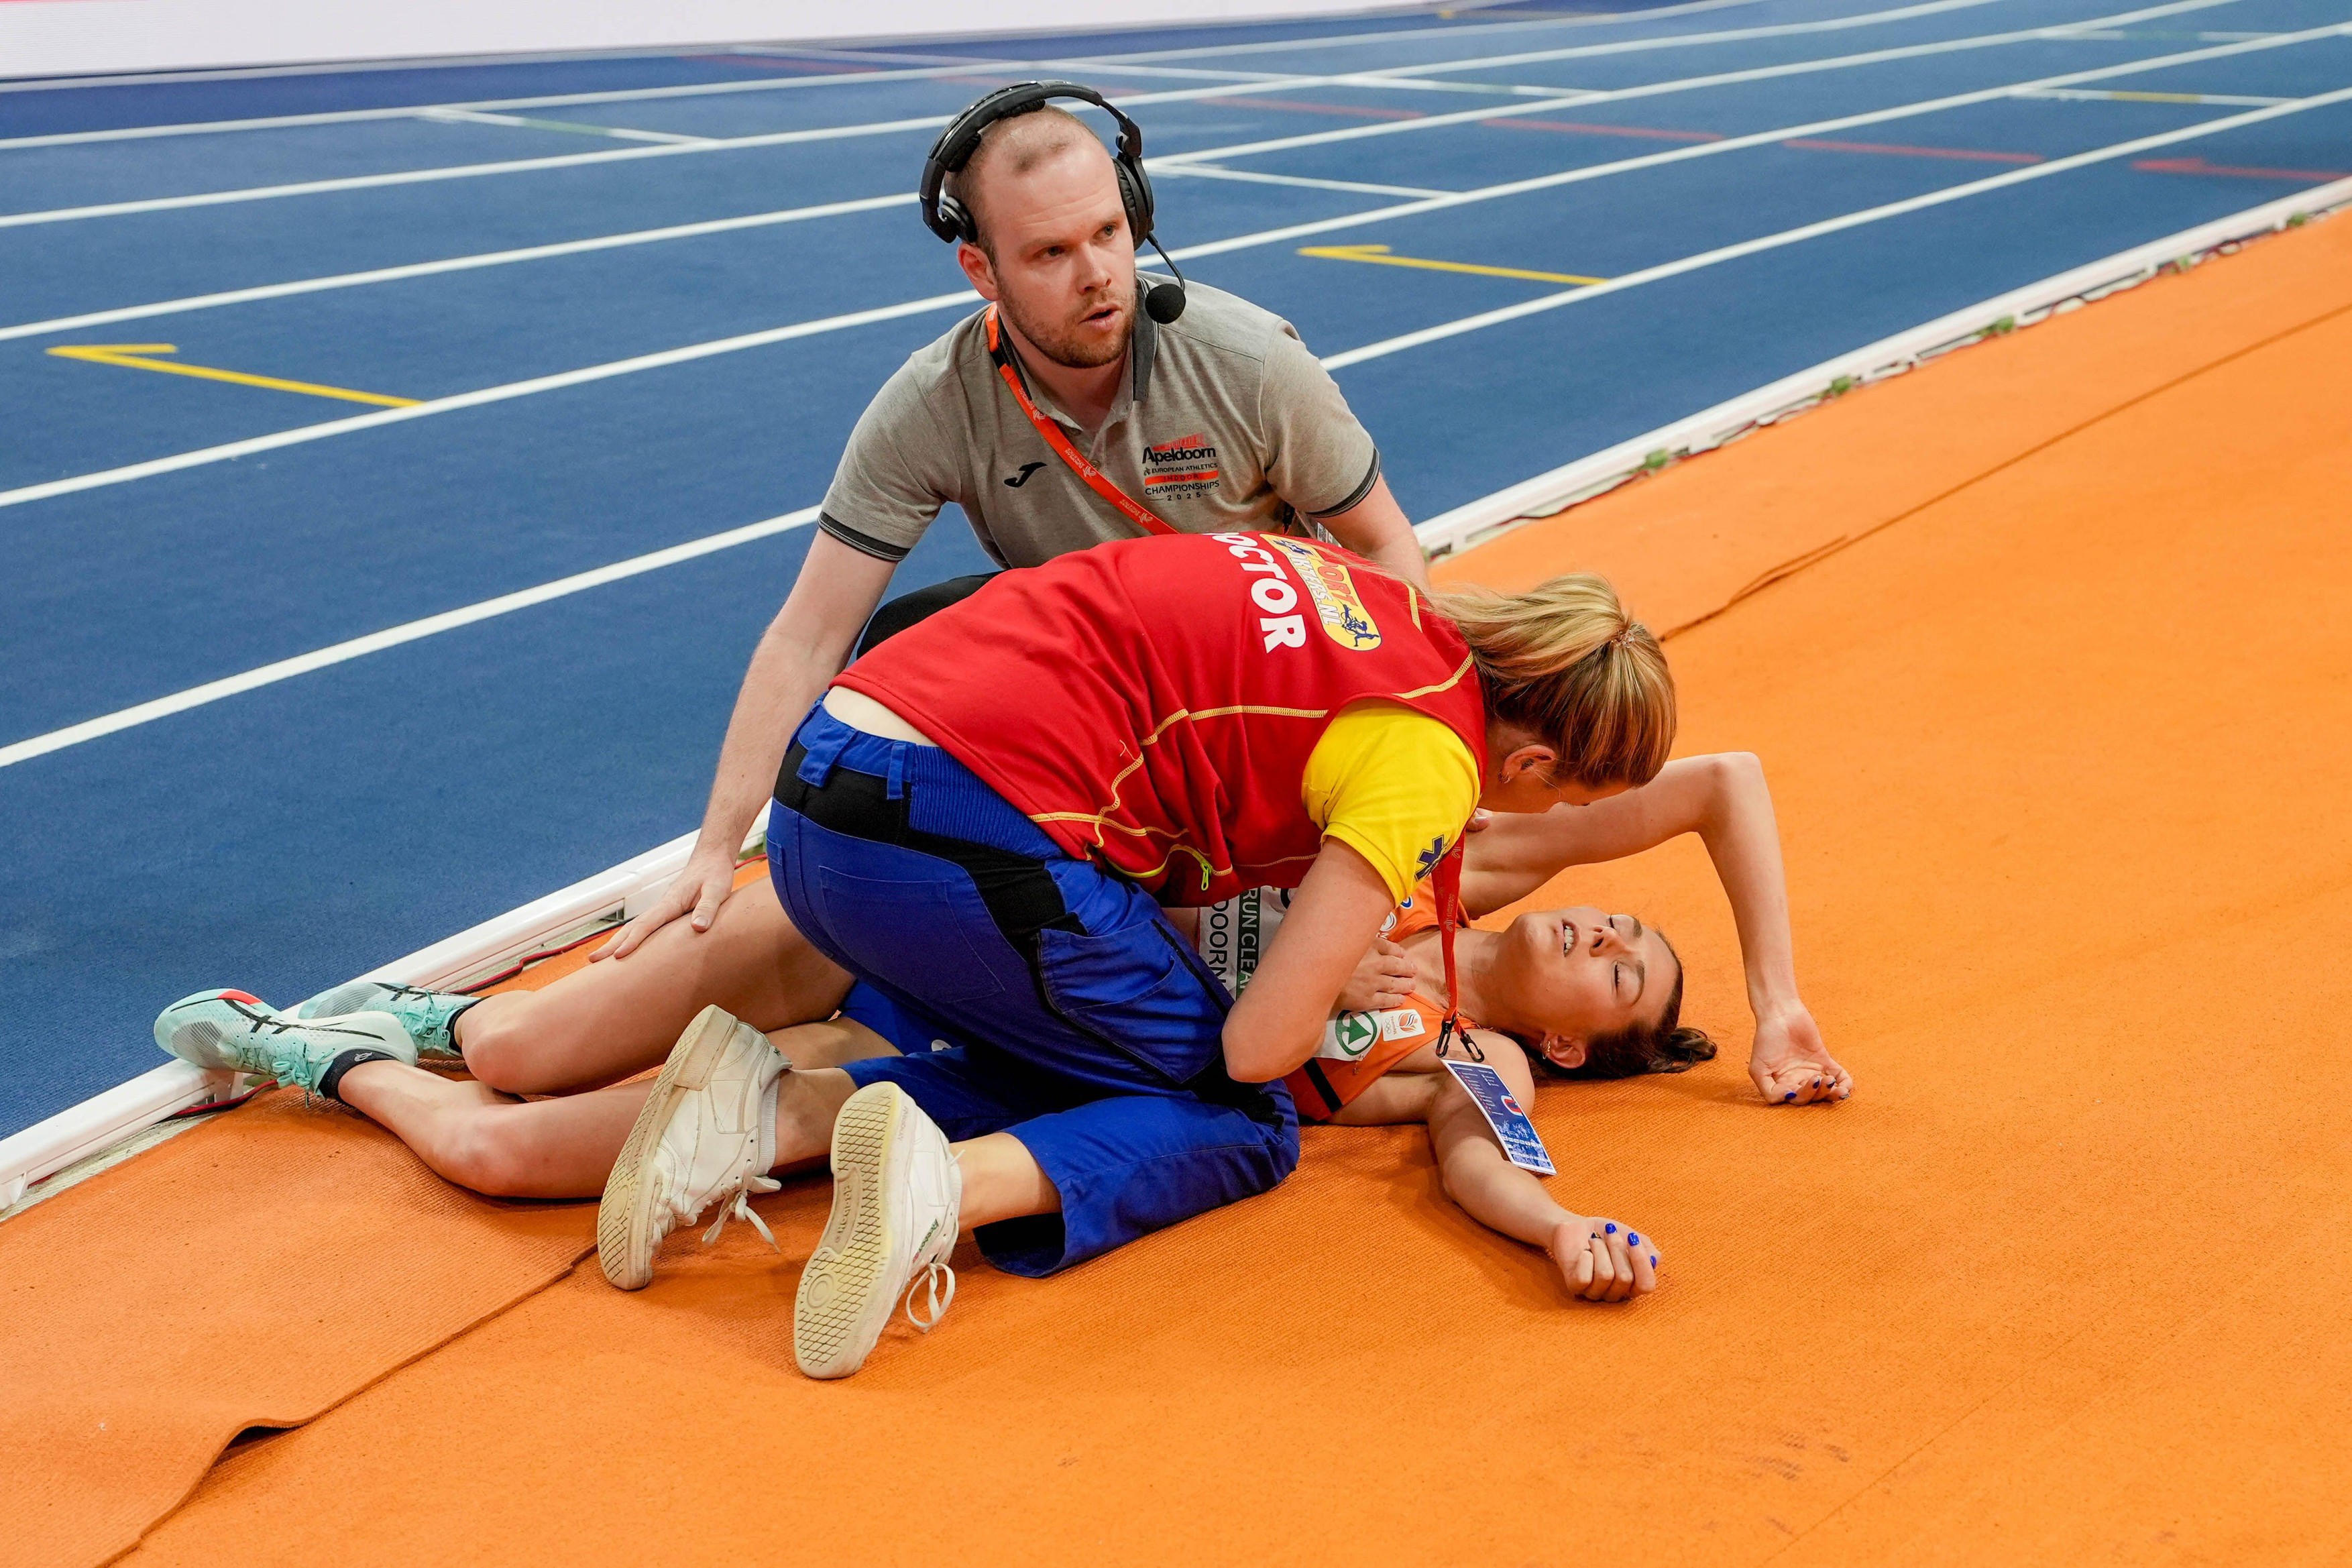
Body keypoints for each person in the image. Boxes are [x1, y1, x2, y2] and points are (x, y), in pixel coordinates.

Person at [159, 536, 1678, 1377]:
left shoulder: (1382, 621)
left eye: (1626, 972)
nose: (1605, 923)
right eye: (1610, 883)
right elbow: (1251, 1053)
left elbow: (1491, 1154)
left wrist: (1554, 1226)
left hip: (868, 794)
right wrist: (1326, 982)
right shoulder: (1437, 797)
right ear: (1538, 762)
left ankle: (334, 1046)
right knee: (1238, 1114)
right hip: (963, 863)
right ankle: (922, 1182)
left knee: (515, 1125)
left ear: (1569, 1049)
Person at [618, 80, 1434, 975]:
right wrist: (713, 848)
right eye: (1049, 252)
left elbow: (1386, 544)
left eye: (1109, 235)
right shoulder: (935, 403)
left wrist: (1413, 737)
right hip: (1108, 720)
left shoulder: (1250, 366)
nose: (1096, 275)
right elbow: (809, 633)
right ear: (982, 271)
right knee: (910, 639)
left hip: (1269, 702)